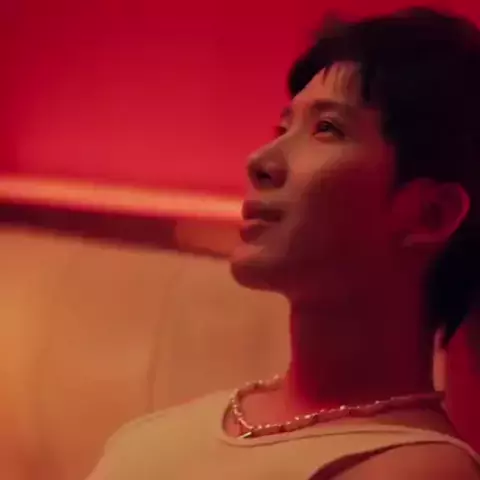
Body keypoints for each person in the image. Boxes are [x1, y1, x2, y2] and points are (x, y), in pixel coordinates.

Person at [87, 7, 480, 479]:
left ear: (431, 213)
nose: (260, 160)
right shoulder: (179, 425)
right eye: (282, 128)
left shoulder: (415, 466)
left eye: (327, 129)